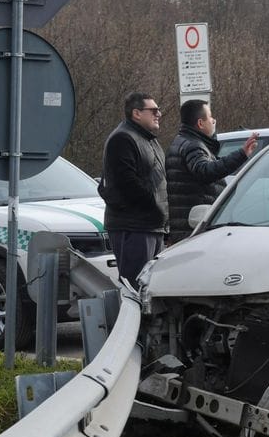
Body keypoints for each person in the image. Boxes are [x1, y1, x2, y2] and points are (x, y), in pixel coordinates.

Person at [98, 92, 168, 289]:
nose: (159, 114)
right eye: (153, 110)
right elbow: (127, 185)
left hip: (152, 225)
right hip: (134, 227)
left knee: (152, 287)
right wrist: (156, 209)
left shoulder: (149, 139)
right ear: (136, 113)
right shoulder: (122, 139)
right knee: (136, 288)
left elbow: (159, 182)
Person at [166, 99, 257, 243]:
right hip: (194, 229)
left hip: (186, 228)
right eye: (210, 117)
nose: (214, 121)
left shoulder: (185, 141)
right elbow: (206, 171)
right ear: (200, 123)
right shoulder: (193, 146)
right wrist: (242, 154)